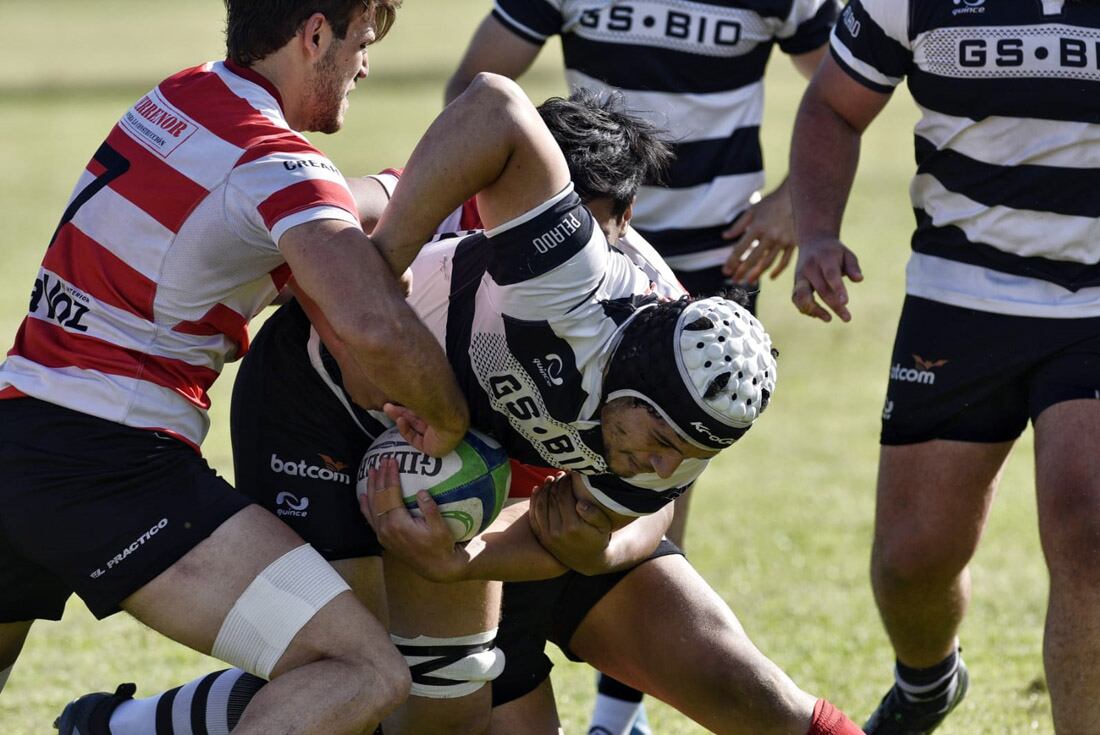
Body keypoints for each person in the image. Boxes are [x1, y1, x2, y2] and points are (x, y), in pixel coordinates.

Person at [63, 85, 863, 735]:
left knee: (749, 692)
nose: (594, 236)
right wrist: (374, 303)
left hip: (503, 492)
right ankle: (129, 724)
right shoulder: (531, 248)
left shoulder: (673, 369)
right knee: (376, 687)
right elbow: (340, 226)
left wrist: (487, 551)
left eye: (609, 222)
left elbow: (616, 524)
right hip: (324, 419)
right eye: (570, 214)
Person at [0, 2, 480, 735]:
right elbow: (375, 329)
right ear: (316, 34)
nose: (365, 65)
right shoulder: (275, 161)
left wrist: (394, 200)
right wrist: (450, 423)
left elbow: (323, 253)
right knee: (362, 671)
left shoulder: (181, 97)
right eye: (361, 41)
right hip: (112, 464)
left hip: (17, 429)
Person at [445, 4, 839, 727]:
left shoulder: (668, 322)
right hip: (561, 231)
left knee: (649, 478)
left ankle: (619, 716)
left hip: (708, 260)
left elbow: (842, 85)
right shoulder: (481, 234)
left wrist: (795, 199)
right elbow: (478, 89)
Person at [789, 1, 1100, 733]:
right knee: (912, 561)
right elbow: (833, 105)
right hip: (959, 297)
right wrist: (818, 235)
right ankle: (928, 680)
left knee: (1090, 525)